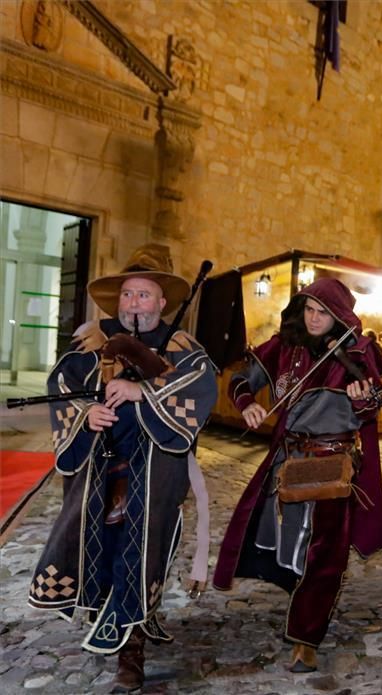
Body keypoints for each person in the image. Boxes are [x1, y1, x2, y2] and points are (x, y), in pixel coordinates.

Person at [28, 244, 218, 693]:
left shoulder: (183, 350)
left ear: (163, 303)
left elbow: (201, 386)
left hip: (154, 472)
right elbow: (63, 385)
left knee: (140, 551)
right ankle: (104, 617)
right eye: (129, 295)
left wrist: (143, 394)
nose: (135, 303)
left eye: (145, 295)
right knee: (97, 545)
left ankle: (130, 649)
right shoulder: (91, 346)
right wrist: (84, 415)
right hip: (99, 471)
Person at [213, 278, 382, 673]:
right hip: (287, 460)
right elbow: (242, 380)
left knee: (326, 553)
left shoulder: (358, 353)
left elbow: (370, 410)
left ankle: (306, 638)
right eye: (309, 309)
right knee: (285, 543)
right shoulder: (285, 345)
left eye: (323, 312)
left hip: (332, 464)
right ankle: (298, 600)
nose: (313, 318)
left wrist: (364, 402)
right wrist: (246, 405)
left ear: (339, 316)